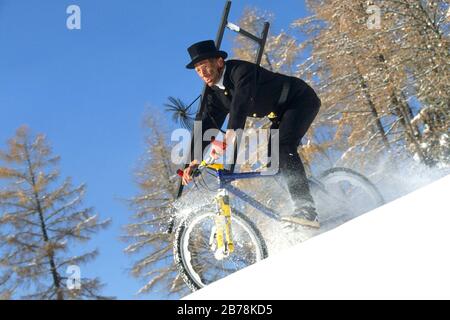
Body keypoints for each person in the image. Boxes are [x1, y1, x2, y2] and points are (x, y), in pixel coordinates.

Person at [181, 40, 321, 228]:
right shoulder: (215, 94)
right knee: (276, 166)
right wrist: (193, 160)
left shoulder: (241, 71)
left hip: (300, 100)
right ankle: (312, 195)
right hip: (279, 115)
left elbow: (241, 102)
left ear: (220, 62)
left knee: (283, 146)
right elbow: (207, 125)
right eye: (198, 70)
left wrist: (230, 134)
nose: (202, 74)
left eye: (205, 66)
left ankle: (307, 209)